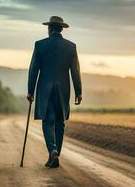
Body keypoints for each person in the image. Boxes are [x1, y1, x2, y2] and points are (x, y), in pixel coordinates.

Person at [27, 16, 82, 168]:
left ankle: (53, 151)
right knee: (60, 122)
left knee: (47, 121)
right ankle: (55, 154)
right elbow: (75, 71)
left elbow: (33, 70)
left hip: (45, 89)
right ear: (61, 29)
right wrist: (79, 92)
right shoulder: (71, 47)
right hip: (63, 89)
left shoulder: (40, 45)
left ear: (50, 28)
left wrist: (30, 91)